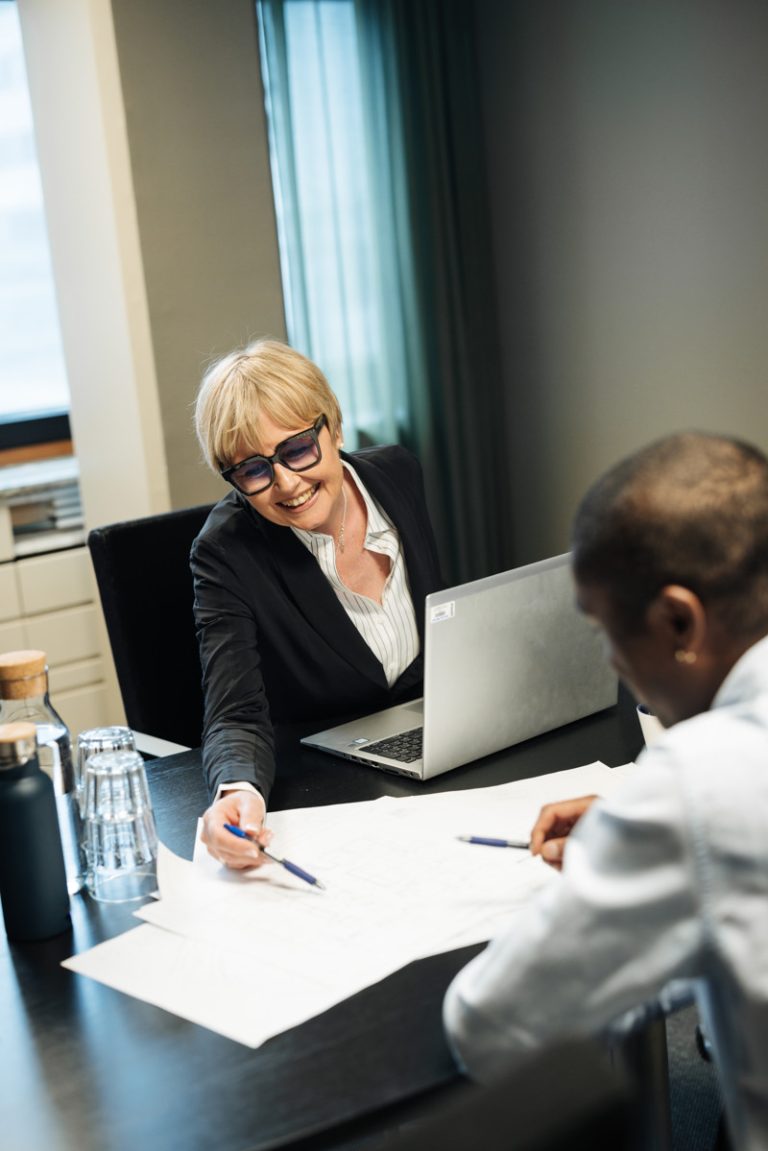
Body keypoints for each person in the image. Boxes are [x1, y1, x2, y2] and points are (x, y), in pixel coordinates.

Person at [443, 431, 768, 1150]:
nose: (613, 662)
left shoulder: (696, 779)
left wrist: (634, 852)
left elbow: (492, 1025)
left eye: (605, 632)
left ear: (678, 622)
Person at [191, 339, 442, 870]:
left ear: (334, 427)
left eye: (298, 449)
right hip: (328, 800)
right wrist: (238, 794)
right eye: (253, 471)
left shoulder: (397, 475)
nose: (287, 483)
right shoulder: (225, 552)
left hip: (436, 767)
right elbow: (235, 713)